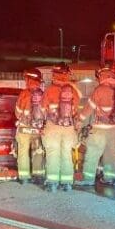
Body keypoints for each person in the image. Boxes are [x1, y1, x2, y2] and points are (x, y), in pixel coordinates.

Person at [77, 67, 115, 187]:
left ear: (104, 77)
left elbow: (89, 107)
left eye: (100, 76)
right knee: (111, 154)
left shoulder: (100, 90)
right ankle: (109, 178)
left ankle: (88, 179)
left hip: (100, 129)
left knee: (93, 153)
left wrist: (80, 120)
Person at [41, 62, 81, 192]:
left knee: (53, 153)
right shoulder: (73, 91)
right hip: (69, 128)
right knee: (66, 154)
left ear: (54, 74)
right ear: (67, 74)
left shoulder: (49, 90)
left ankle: (52, 183)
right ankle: (67, 183)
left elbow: (42, 109)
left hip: (52, 127)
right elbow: (77, 110)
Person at [13, 67, 46, 185]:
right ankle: (38, 176)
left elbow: (17, 113)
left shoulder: (24, 94)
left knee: (23, 153)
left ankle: (24, 177)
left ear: (28, 79)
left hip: (24, 130)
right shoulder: (43, 94)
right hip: (38, 130)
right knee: (38, 152)